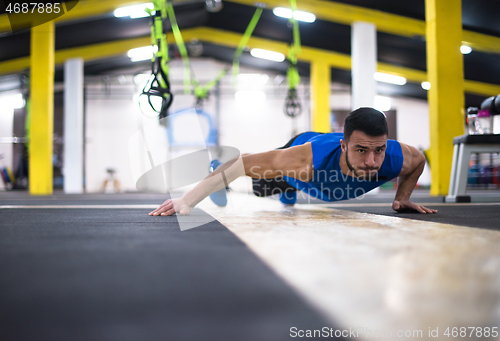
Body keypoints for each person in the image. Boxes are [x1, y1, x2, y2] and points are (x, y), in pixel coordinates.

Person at [150, 107, 437, 216]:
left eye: (379, 150)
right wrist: (187, 201)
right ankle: (217, 168)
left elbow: (420, 160)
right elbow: (239, 165)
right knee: (263, 180)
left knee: (279, 181)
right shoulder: (302, 160)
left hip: (317, 182)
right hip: (302, 157)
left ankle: (288, 191)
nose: (372, 161)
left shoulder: (399, 157)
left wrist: (402, 197)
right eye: (361, 150)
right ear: (343, 145)